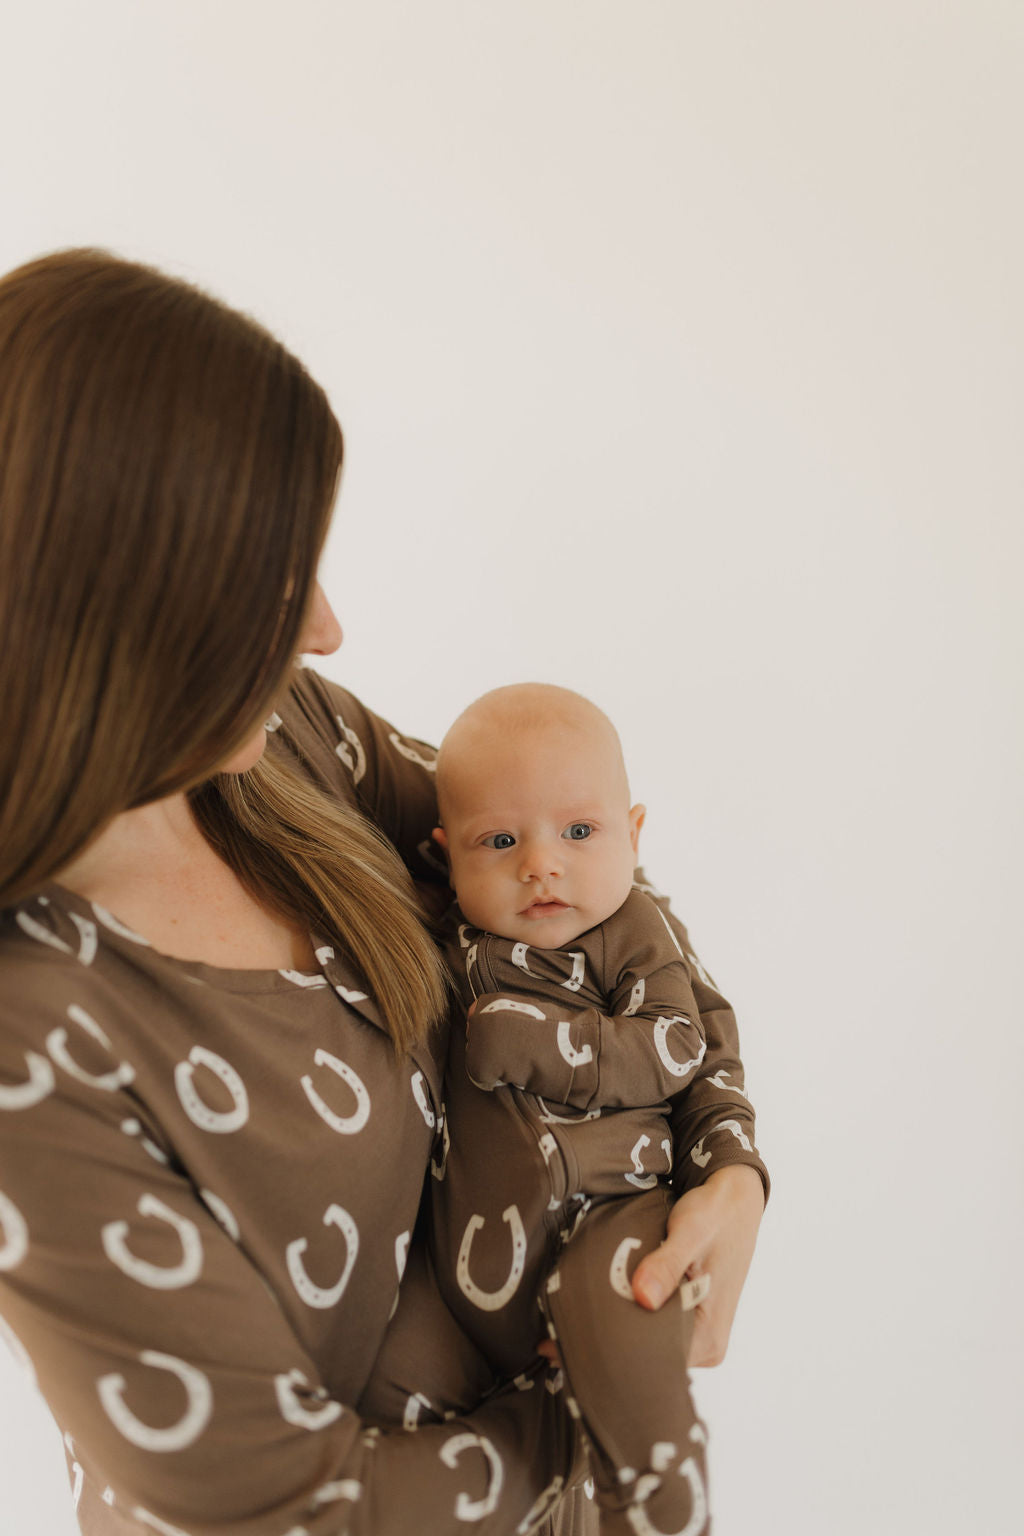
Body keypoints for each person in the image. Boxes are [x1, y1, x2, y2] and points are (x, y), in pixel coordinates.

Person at [0, 248, 766, 1536]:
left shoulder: (285, 743)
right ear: (120, 618)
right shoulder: (29, 1056)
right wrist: (611, 1420)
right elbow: (294, 1514)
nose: (325, 629)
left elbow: (592, 889)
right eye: (267, 582)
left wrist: (730, 1165)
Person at [360, 685, 767, 1535]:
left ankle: (658, 1504)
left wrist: (537, 1040)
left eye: (578, 832)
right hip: (470, 1272)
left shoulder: (634, 932)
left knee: (628, 1338)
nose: (540, 863)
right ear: (446, 854)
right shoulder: (452, 941)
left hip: (610, 1214)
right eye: (500, 841)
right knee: (386, 1380)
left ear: (634, 833)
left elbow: (676, 1049)